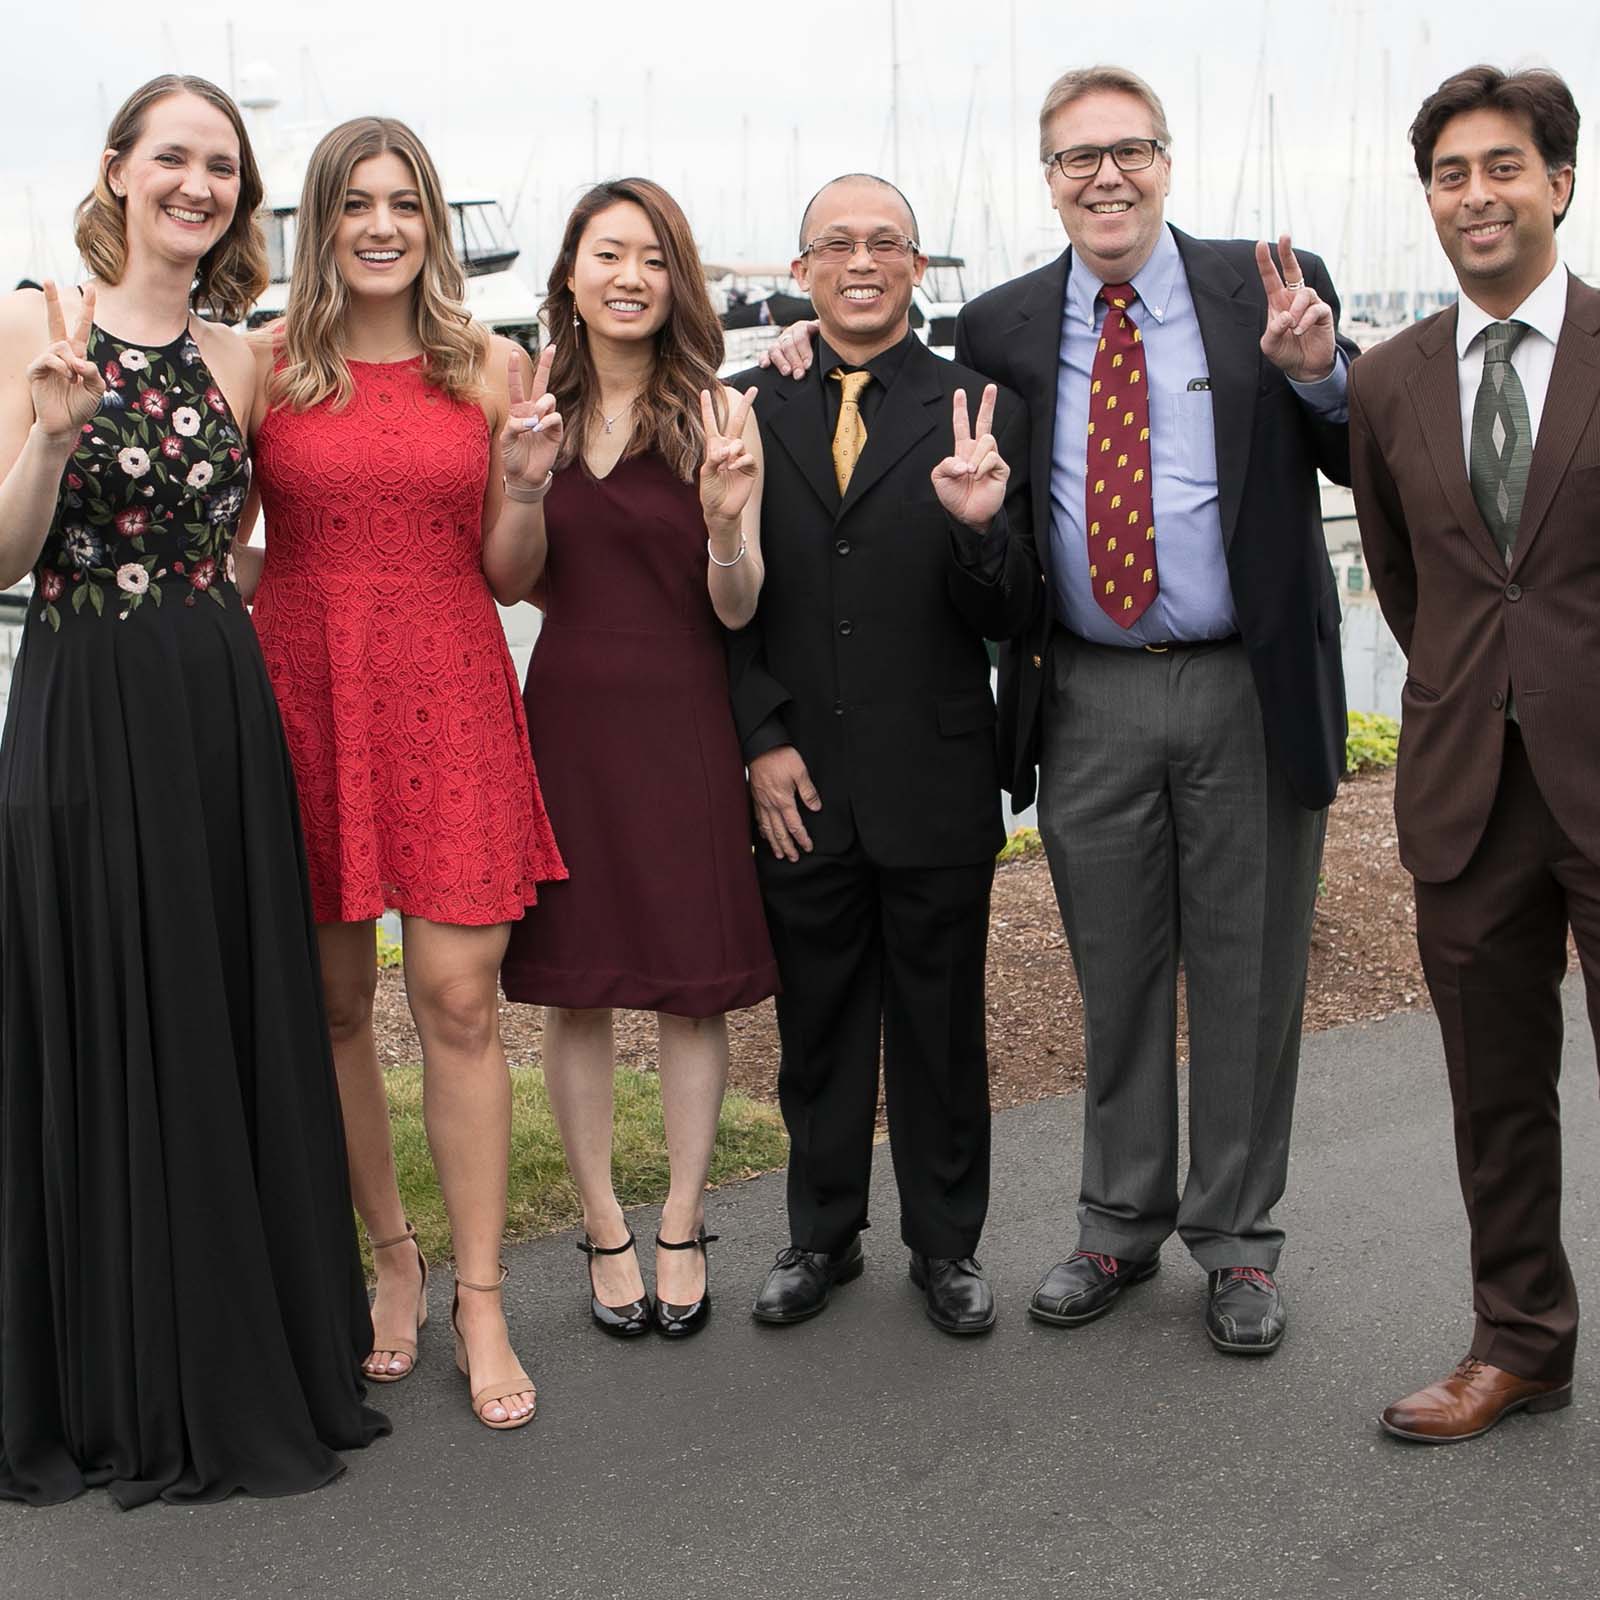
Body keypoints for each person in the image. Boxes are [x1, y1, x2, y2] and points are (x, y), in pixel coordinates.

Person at [767, 70, 1356, 1350]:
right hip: (1082, 691)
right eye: (1077, 157)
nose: (1105, 176)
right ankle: (1117, 1222)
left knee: (1248, 977)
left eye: (1128, 151)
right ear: (1047, 179)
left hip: (1245, 685)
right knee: (1117, 970)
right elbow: (913, 390)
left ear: (1163, 161)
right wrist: (798, 348)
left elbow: (1358, 451)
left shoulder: (1268, 284)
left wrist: (1322, 379)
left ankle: (1240, 1244)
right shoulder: (1002, 322)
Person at [0, 75, 387, 1507]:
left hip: (217, 703)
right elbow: (2, 554)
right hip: (85, 693)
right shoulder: (35, 318)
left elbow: (343, 459)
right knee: (99, 1003)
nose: (197, 185)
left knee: (222, 1014)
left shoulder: (246, 357)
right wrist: (48, 430)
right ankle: (111, 1376)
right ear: (115, 171)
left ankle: (247, 1349)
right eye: (172, 158)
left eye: (221, 166)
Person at [239, 117, 566, 1431]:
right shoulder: (262, 368)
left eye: (406, 205)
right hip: (304, 697)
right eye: (355, 204)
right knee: (327, 1006)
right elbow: (236, 546)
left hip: (449, 692)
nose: (381, 225)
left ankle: (480, 1296)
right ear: (318, 226)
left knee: (457, 999)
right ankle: (390, 1260)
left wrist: (530, 489)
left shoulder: (491, 368)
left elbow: (511, 573)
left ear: (433, 226)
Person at [734, 173, 1036, 1336]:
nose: (862, 261)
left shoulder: (981, 407)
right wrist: (758, 736)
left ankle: (946, 1245)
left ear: (917, 267)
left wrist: (976, 533)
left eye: (887, 243)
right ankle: (819, 1234)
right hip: (797, 780)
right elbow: (717, 605)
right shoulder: (749, 407)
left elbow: (1014, 611)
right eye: (836, 244)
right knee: (815, 1023)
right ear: (800, 268)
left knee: (939, 1025)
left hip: (936, 773)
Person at [1351, 65, 1593, 1443]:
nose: (1477, 194)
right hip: (1468, 793)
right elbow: (1410, 581)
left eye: (1504, 166)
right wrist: (1478, 689)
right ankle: (1522, 1341)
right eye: (1451, 173)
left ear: (1559, 183)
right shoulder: (1388, 383)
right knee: (1495, 1098)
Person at [499, 178, 777, 1341]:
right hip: (563, 714)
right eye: (606, 253)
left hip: (680, 713)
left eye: (652, 257)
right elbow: (511, 577)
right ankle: (603, 1222)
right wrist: (519, 483)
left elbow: (739, 604)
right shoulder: (528, 405)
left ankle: (680, 1217)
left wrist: (722, 526)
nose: (628, 275)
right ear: (569, 271)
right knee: (575, 984)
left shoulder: (718, 410)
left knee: (684, 983)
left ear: (678, 282)